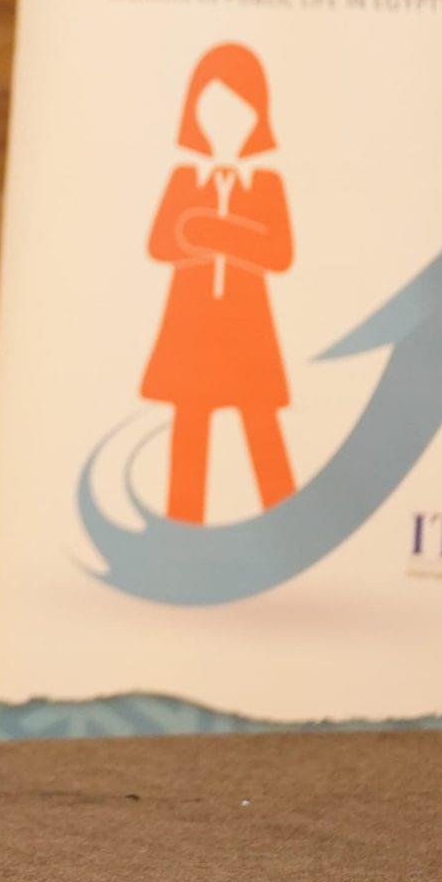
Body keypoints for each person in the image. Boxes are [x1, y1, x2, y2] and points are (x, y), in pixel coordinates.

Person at [138, 42, 297, 524]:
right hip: (190, 325)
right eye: (213, 111)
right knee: (189, 429)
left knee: (261, 426)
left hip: (248, 328)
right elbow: (162, 243)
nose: (226, 124)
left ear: (257, 117)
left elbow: (277, 253)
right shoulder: (185, 179)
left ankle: (290, 530)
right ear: (195, 113)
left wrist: (205, 230)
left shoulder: (265, 184)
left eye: (238, 112)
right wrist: (220, 234)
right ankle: (182, 535)